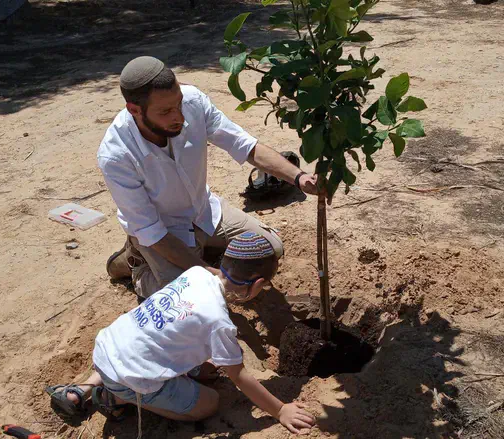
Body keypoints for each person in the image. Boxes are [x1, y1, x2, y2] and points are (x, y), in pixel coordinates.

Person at [46, 232, 316, 434]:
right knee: (209, 403)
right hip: (128, 375)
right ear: (257, 283)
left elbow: (176, 325)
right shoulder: (218, 321)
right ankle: (115, 397)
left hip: (109, 347)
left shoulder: (197, 274)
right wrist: (280, 410)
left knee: (198, 364)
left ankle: (82, 389)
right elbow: (239, 376)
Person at [101, 56, 319, 298]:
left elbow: (243, 144)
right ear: (134, 110)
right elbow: (152, 231)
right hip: (163, 233)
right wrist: (212, 276)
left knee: (270, 249)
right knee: (192, 296)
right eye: (166, 112)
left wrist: (299, 177)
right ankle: (136, 265)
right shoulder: (116, 156)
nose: (180, 117)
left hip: (204, 211)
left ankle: (200, 252)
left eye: (179, 104)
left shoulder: (193, 101)